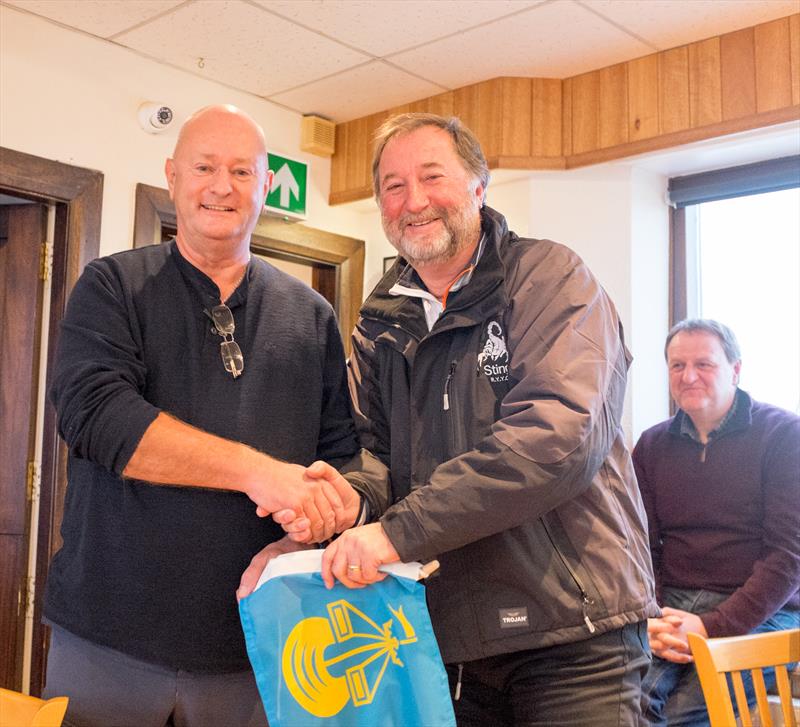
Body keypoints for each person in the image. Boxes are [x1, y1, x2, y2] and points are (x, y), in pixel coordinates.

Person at [262, 112, 659, 726]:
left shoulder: (549, 279)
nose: (413, 200)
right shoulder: (380, 322)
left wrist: (393, 534)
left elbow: (554, 441)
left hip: (573, 640)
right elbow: (375, 456)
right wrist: (347, 504)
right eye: (393, 186)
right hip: (448, 644)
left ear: (479, 186)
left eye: (431, 177)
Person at [43, 105, 375, 727]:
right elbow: (96, 416)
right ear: (172, 176)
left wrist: (296, 538)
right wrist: (260, 474)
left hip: (256, 646)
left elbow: (343, 458)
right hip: (109, 643)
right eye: (204, 167)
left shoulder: (312, 317)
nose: (222, 186)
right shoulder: (112, 286)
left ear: (266, 187)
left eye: (242, 171)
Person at [634, 319, 800, 726]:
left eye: (704, 364)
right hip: (673, 604)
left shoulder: (784, 436)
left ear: (736, 370)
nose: (689, 376)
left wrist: (711, 625)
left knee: (680, 715)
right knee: (626, 703)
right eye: (677, 366)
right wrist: (653, 618)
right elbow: (637, 545)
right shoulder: (651, 445)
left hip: (764, 610)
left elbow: (788, 558)